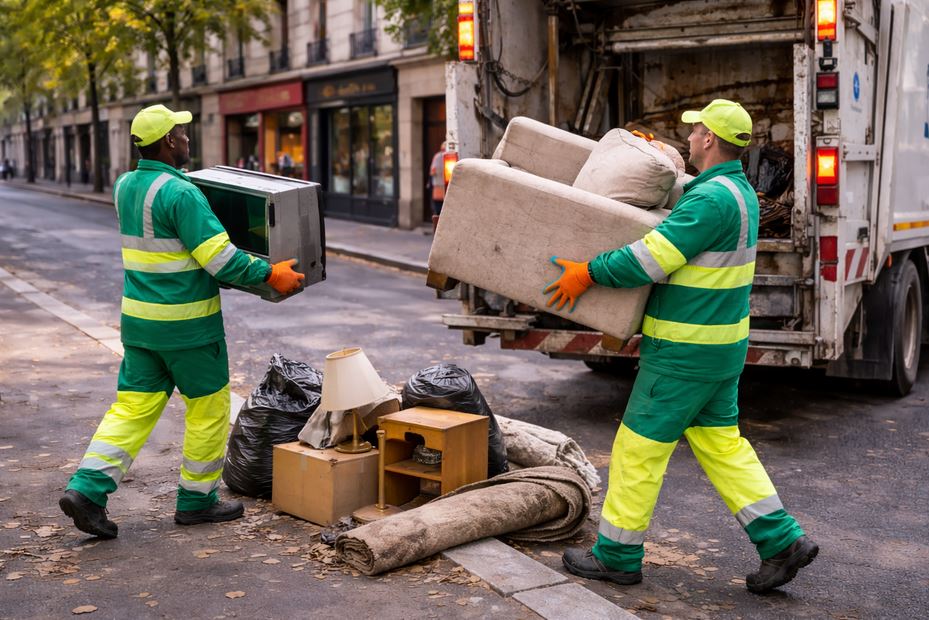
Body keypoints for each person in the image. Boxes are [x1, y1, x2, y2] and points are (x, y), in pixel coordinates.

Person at [551, 100, 818, 594]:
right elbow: (684, 204)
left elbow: (650, 259)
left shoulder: (711, 201)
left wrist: (588, 272)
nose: (689, 138)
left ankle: (616, 555)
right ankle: (781, 542)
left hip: (684, 351)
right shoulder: (736, 192)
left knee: (637, 450)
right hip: (719, 349)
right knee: (722, 447)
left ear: (711, 139)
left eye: (694, 132)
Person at [59, 104, 305, 539]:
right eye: (183, 134)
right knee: (208, 411)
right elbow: (222, 260)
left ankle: (87, 490)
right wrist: (271, 274)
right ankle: (196, 501)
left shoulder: (125, 186)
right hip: (189, 329)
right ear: (168, 141)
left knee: (131, 409)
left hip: (140, 325)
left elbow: (170, 244)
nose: (189, 140)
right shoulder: (182, 194)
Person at [427, 142, 447, 217]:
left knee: (438, 212)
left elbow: (432, 172)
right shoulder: (450, 155)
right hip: (447, 188)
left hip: (438, 188)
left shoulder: (437, 157)